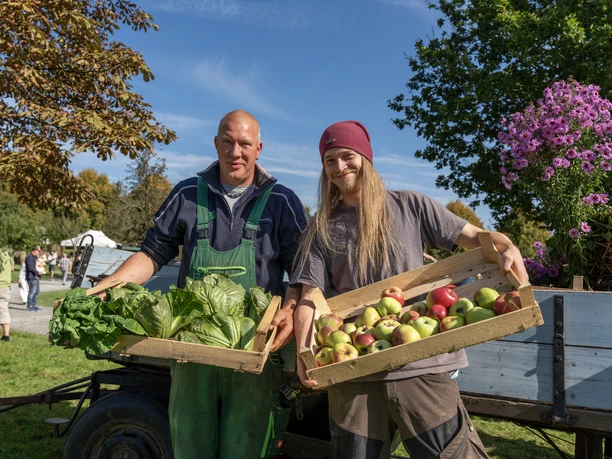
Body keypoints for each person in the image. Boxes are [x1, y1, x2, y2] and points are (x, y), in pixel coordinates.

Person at [291, 120, 529, 459]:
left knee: (452, 455)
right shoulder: (321, 228)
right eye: (329, 160)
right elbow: (309, 296)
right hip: (354, 375)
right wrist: (304, 350)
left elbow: (474, 238)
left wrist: (508, 246)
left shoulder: (411, 206)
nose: (339, 167)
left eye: (347, 156)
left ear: (366, 158)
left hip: (422, 366)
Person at [94, 110, 308, 459]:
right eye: (227, 141)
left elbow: (301, 270)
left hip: (252, 352)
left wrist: (291, 307)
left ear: (259, 148)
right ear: (216, 143)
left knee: (247, 444)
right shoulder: (187, 194)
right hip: (191, 350)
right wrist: (108, 285)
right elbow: (152, 253)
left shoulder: (282, 201)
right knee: (191, 444)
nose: (235, 152)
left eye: (244, 144)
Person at [0, 249, 14, 341]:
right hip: (5, 286)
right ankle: (6, 335)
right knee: (4, 309)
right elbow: (12, 268)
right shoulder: (8, 254)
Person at [25, 246, 42, 312]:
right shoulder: (29, 257)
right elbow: (30, 268)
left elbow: (37, 264)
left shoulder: (35, 257)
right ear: (34, 250)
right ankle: (30, 306)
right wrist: (37, 272)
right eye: (38, 251)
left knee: (37, 291)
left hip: (36, 277)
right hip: (31, 277)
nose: (38, 253)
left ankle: (34, 305)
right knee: (32, 292)